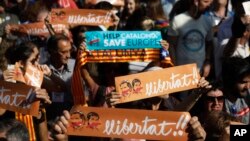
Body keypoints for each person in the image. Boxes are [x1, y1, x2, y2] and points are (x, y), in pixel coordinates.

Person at [1, 41, 52, 141]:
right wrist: (7, 91)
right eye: (33, 62)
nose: (37, 65)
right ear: (20, 64)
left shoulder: (36, 89)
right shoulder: (4, 86)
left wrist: (40, 111)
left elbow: (44, 138)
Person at [222, 56, 250, 124]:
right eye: (243, 82)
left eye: (249, 81)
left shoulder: (248, 94)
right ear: (230, 81)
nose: (248, 87)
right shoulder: (219, 102)